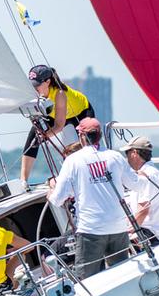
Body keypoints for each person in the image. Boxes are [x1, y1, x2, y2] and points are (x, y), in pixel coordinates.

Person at [48, 117, 138, 278]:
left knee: (87, 279)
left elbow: (57, 199)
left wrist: (51, 192)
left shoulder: (72, 160)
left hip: (91, 230)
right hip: (118, 227)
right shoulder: (115, 156)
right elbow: (134, 184)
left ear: (82, 137)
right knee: (122, 275)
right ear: (100, 136)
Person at [21, 65, 95, 182]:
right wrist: (39, 135)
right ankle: (23, 181)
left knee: (88, 144)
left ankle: (94, 175)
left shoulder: (59, 93)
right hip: (55, 114)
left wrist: (45, 136)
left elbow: (59, 126)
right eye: (32, 85)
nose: (35, 88)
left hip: (81, 111)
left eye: (37, 85)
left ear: (48, 82)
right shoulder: (36, 92)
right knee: (33, 138)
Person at [120, 135, 159, 245]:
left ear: (134, 153)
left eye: (127, 153)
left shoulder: (147, 174)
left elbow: (143, 210)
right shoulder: (149, 172)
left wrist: (126, 231)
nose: (126, 158)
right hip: (147, 230)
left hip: (151, 234)